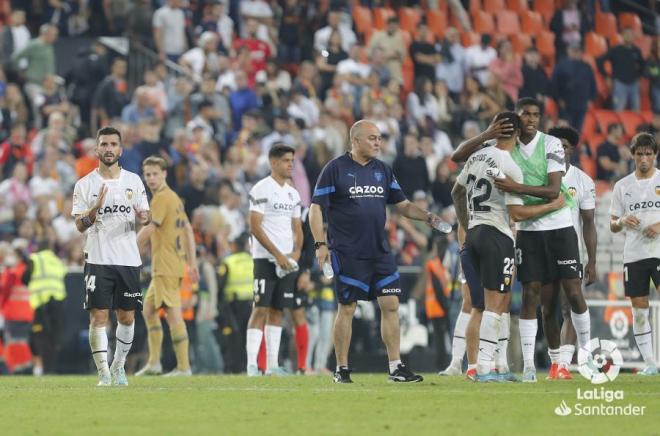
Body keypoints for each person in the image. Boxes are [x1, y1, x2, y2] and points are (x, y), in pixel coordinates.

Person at [451, 98, 591, 383]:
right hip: (504, 234)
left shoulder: (482, 155)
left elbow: (456, 190)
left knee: (481, 305)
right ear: (515, 126)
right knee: (500, 302)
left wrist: (468, 224)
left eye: (536, 114)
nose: (531, 119)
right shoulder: (508, 162)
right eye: (525, 115)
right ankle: (489, 368)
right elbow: (523, 209)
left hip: (478, 233)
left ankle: (478, 366)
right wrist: (548, 205)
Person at [309, 120, 446, 383]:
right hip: (348, 251)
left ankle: (395, 367)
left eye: (380, 138)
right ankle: (342, 369)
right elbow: (316, 208)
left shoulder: (383, 170)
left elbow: (402, 205)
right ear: (356, 140)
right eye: (372, 138)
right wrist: (319, 244)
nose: (378, 143)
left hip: (380, 251)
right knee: (347, 306)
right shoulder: (335, 169)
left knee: (391, 304)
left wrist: (427, 216)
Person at [71, 126, 150, 386]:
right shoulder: (85, 185)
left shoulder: (134, 181)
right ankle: (103, 372)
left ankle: (118, 366)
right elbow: (80, 225)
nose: (108, 149)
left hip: (128, 259)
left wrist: (144, 217)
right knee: (99, 317)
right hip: (97, 258)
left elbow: (145, 216)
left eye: (113, 144)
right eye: (104, 144)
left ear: (120, 149)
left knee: (127, 317)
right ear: (96, 149)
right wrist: (95, 209)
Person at [135, 156, 198, 377]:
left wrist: (128, 249)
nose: (151, 178)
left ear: (164, 174)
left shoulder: (162, 198)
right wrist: (192, 262)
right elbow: (188, 230)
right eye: (148, 174)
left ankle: (183, 367)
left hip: (166, 266)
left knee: (173, 314)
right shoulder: (175, 199)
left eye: (155, 174)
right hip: (173, 264)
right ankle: (154, 363)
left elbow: (151, 228)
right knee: (149, 310)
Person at [245, 143, 303, 376]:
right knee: (261, 308)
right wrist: (278, 255)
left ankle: (271, 365)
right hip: (265, 259)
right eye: (287, 160)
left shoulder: (293, 193)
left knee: (279, 310)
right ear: (273, 163)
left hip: (287, 262)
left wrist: (295, 254)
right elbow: (255, 226)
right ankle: (251, 364)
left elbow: (297, 228)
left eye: (292, 160)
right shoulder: (261, 189)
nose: (291, 165)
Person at [549, 126, 597, 379]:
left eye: (565, 146)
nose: (560, 150)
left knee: (570, 306)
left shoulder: (583, 181)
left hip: (571, 251)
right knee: (546, 307)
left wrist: (592, 260)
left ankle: (565, 364)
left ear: (572, 150)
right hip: (543, 249)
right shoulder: (539, 176)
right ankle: (554, 361)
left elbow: (588, 223)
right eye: (556, 145)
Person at [609, 132, 660, 376]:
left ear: (655, 155)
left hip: (658, 251)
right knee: (639, 309)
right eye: (639, 154)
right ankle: (650, 362)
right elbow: (611, 224)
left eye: (648, 154)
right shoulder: (622, 186)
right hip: (634, 254)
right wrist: (621, 220)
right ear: (632, 155)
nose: (644, 159)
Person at [26, 239, 67, 375]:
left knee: (40, 336)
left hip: (41, 303)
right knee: (54, 338)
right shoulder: (57, 261)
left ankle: (42, 367)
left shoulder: (35, 258)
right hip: (58, 302)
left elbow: (25, 278)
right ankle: (51, 368)